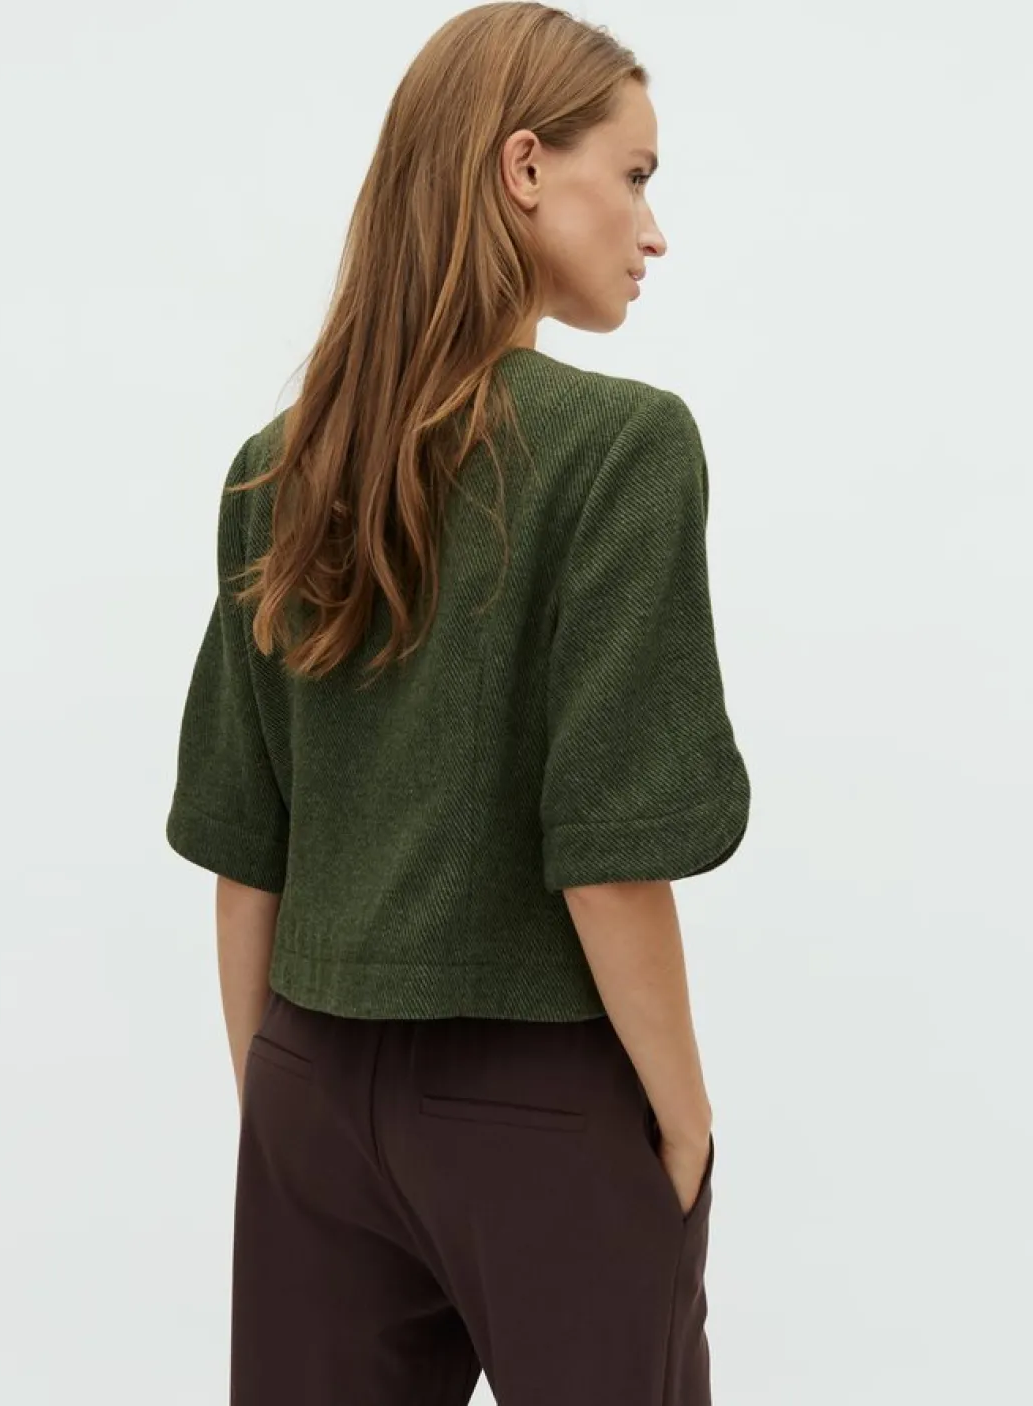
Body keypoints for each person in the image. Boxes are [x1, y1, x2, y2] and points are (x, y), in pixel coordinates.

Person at [164, 4, 751, 1402]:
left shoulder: (279, 468)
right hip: (538, 1097)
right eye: (637, 175)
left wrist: (281, 1109)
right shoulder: (619, 448)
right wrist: (684, 1122)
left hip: (307, 1079)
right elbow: (609, 859)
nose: (654, 231)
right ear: (525, 167)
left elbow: (248, 855)